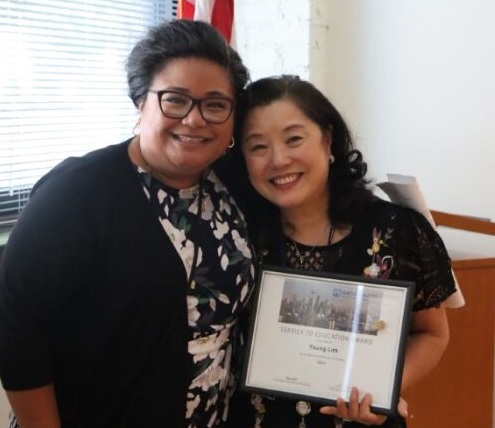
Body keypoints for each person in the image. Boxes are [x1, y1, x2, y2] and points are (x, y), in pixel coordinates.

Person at [0, 20, 256, 428]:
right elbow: (17, 332)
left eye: (215, 104)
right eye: (175, 100)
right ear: (141, 102)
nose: (194, 120)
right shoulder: (77, 193)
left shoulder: (234, 187)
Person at [222, 75, 457, 428]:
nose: (279, 159)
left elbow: (433, 334)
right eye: (258, 147)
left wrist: (381, 392)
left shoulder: (396, 230)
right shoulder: (235, 234)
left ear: (328, 139)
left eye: (294, 139)